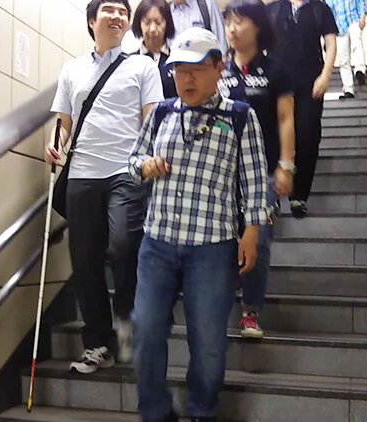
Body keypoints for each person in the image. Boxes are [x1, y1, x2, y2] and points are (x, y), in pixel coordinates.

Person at [129, 27, 269, 422]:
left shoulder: (240, 116)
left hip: (212, 247)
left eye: (195, 70)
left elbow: (255, 180)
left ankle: (202, 411)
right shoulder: (160, 113)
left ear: (218, 67)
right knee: (146, 331)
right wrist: (145, 165)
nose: (184, 79)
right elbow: (134, 159)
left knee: (207, 342)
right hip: (157, 243)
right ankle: (155, 413)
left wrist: (252, 231)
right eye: (178, 70)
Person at [44, 0, 163, 373]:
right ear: (91, 21)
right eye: (108, 9)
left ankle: (126, 318)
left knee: (125, 246)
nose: (116, 15)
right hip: (81, 175)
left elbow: (152, 120)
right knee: (84, 260)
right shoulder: (72, 69)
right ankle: (97, 344)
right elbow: (63, 122)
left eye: (122, 10)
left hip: (126, 172)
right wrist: (53, 144)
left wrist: (149, 162)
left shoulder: (143, 66)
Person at [220, 0, 295, 338]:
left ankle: (250, 310)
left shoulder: (277, 70)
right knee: (222, 240)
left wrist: (286, 166)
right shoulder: (217, 70)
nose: (232, 29)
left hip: (260, 171)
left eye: (240, 21)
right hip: (219, 171)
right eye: (228, 22)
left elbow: (285, 119)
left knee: (259, 239)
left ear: (258, 26)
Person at [268, 0, 337, 217]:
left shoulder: (320, 9)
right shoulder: (273, 9)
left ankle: (299, 196)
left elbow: (331, 42)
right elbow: (260, 42)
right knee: (274, 139)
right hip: (277, 84)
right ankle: (273, 197)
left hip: (309, 83)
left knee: (307, 137)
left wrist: (325, 75)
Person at [131, 0, 178, 98]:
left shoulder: (177, 60)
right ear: (139, 24)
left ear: (167, 23)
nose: (152, 29)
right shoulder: (129, 62)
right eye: (147, 22)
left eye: (158, 22)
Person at [326, 0, 367, 99]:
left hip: (354, 21)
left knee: (356, 43)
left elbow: (361, 3)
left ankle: (360, 70)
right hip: (339, 28)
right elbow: (328, 11)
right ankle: (348, 89)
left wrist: (362, 17)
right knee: (343, 59)